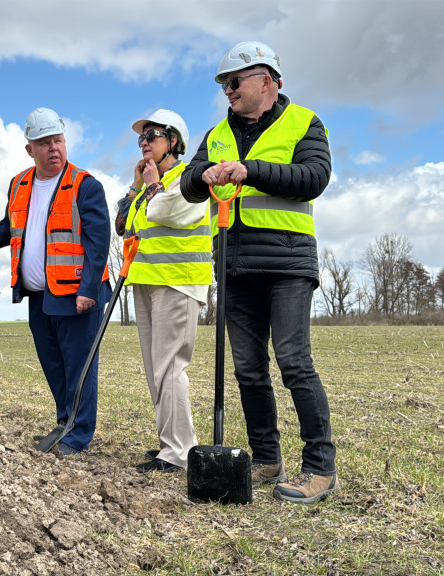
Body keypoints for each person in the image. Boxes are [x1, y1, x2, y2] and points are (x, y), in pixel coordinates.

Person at [179, 41, 337, 503]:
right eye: (223, 85)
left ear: (266, 80)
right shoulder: (217, 134)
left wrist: (249, 170)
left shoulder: (304, 122)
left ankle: (320, 467)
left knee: (294, 363)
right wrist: (202, 176)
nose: (227, 91)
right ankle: (267, 458)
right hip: (234, 265)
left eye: (234, 82)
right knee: (248, 370)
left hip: (288, 262)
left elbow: (313, 178)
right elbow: (189, 184)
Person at [0, 107, 111, 455]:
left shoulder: (85, 185)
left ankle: (78, 435)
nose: (53, 148)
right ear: (30, 149)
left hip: (76, 294)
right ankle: (65, 423)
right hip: (38, 296)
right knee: (54, 366)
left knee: (79, 368)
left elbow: (99, 242)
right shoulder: (19, 183)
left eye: (58, 140)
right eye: (44, 143)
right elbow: (11, 228)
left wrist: (89, 289)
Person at [114, 109, 210, 474]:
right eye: (141, 137)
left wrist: (152, 184)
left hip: (178, 281)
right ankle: (171, 444)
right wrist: (136, 185)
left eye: (151, 135)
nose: (143, 142)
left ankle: (179, 452)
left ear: (173, 141)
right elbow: (122, 225)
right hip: (147, 282)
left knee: (170, 368)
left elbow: (167, 212)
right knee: (157, 370)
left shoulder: (189, 180)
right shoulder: (148, 186)